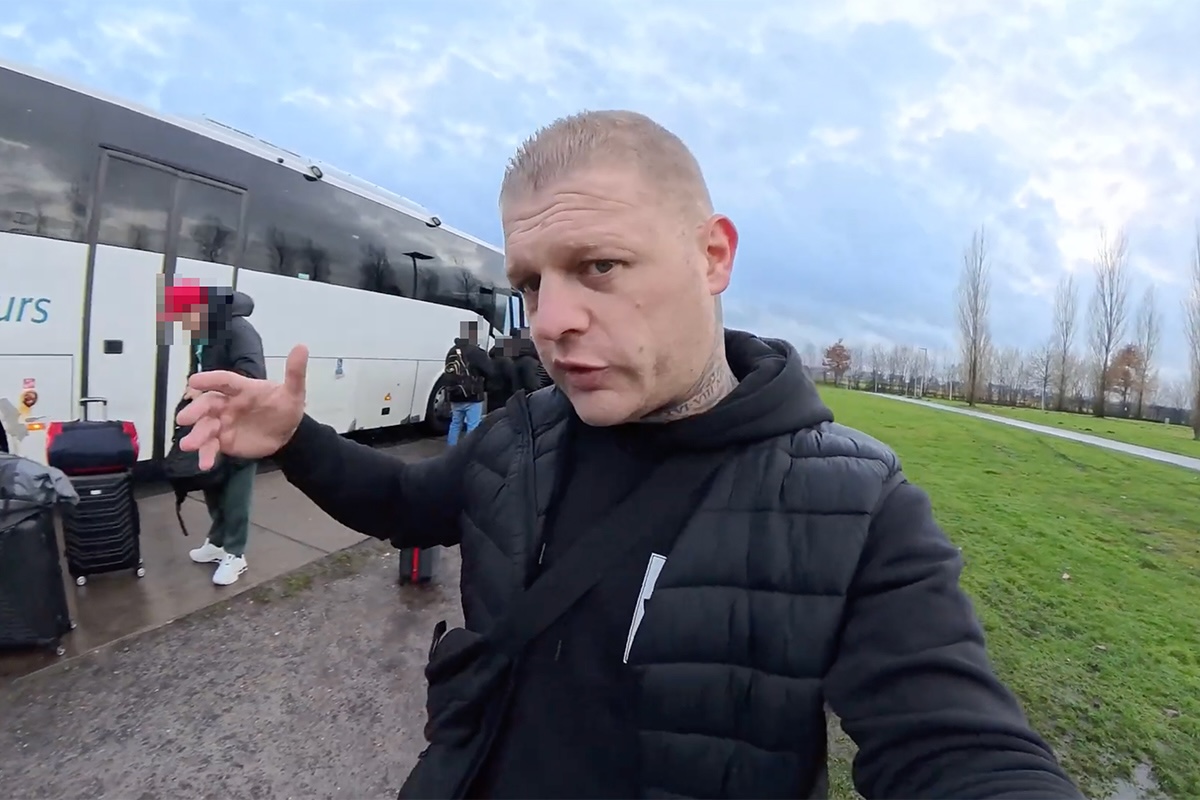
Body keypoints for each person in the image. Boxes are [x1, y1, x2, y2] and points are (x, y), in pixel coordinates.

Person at [177, 111, 1082, 798]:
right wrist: (297, 439)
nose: (553, 320)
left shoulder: (852, 503)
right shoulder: (523, 433)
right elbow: (409, 507)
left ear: (713, 255)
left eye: (599, 267)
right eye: (531, 283)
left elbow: (959, 750)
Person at [164, 283, 265, 586]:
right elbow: (198, 371)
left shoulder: (239, 330)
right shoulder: (203, 333)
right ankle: (218, 542)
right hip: (211, 422)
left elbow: (252, 375)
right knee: (211, 480)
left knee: (236, 490)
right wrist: (191, 388)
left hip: (240, 424)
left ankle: (236, 554)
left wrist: (206, 389)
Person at [444, 320, 492, 445]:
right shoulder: (476, 352)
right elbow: (489, 370)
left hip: (455, 394)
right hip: (473, 395)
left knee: (455, 423)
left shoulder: (452, 350)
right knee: (473, 425)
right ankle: (469, 451)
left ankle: (451, 450)